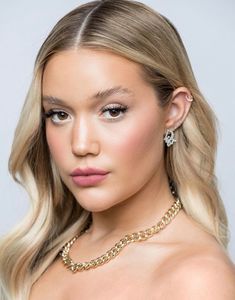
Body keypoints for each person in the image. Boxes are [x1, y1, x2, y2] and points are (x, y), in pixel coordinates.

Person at [1, 0, 235, 299]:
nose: (81, 145)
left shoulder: (197, 280)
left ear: (173, 111)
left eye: (112, 111)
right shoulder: (40, 256)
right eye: (59, 114)